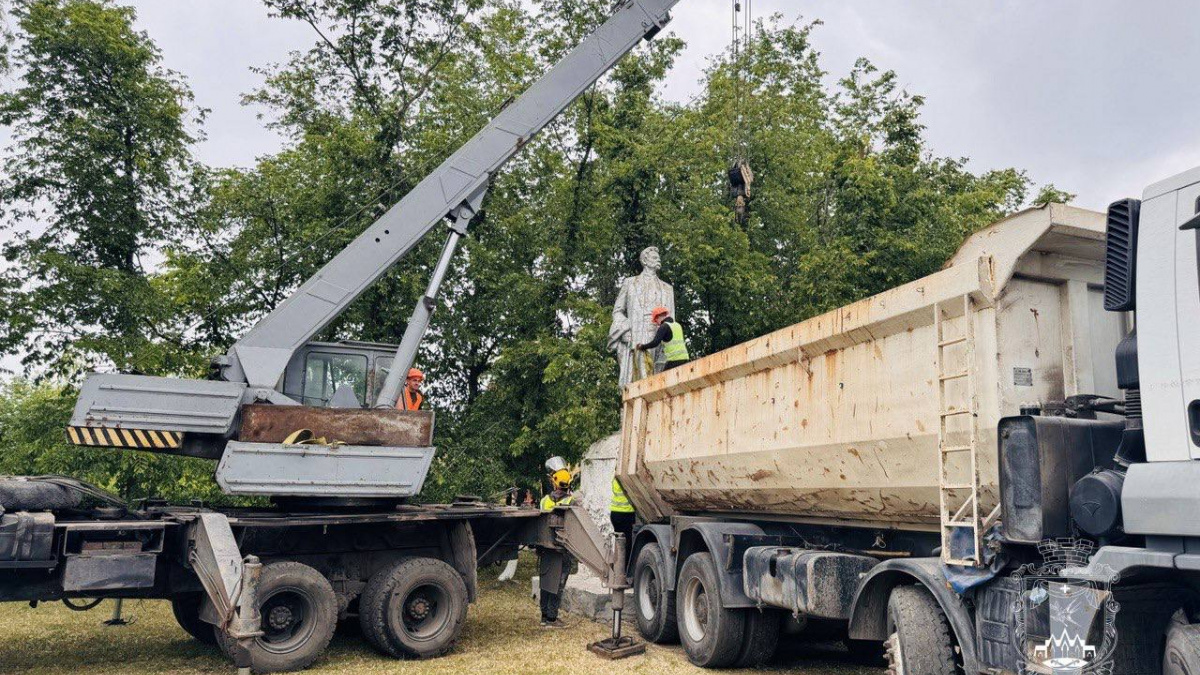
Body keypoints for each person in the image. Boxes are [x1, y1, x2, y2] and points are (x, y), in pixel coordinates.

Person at [538, 457, 574, 627]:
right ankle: (552, 618)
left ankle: (544, 616)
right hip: (562, 549)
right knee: (558, 583)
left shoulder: (544, 501)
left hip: (546, 549)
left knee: (545, 581)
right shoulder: (571, 502)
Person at [636, 307, 690, 371]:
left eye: (655, 321)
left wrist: (642, 347)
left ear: (658, 317)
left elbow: (655, 343)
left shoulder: (664, 326)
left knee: (664, 379)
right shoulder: (677, 325)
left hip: (674, 360)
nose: (657, 323)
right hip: (685, 358)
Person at [610, 476, 636, 567]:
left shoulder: (614, 479)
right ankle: (624, 567)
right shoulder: (626, 480)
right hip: (626, 513)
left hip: (615, 513)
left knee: (618, 541)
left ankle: (617, 565)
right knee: (628, 542)